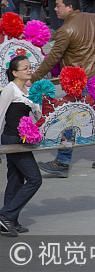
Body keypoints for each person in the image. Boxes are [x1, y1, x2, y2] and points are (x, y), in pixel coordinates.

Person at [32, 0, 95, 176]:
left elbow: (53, 57)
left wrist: (33, 78)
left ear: (70, 7)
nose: (55, 9)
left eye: (58, 5)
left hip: (83, 81)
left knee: (70, 119)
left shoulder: (66, 30)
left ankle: (63, 162)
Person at [0, 56, 41, 235]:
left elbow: (38, 116)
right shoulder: (10, 89)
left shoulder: (29, 90)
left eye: (30, 67)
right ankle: (6, 215)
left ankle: (10, 221)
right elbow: (0, 115)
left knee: (16, 179)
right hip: (11, 139)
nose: (29, 70)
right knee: (35, 179)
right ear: (15, 72)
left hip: (23, 139)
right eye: (25, 68)